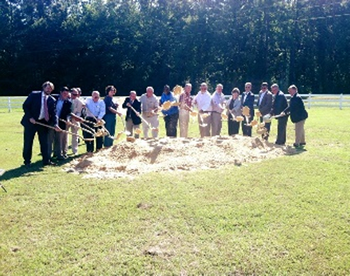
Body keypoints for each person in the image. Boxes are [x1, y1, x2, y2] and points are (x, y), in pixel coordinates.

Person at [21, 81, 60, 167]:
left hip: (42, 123)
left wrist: (55, 124)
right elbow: (25, 106)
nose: (49, 90)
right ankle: (27, 161)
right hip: (31, 122)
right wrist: (30, 117)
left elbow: (54, 114)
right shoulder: (34, 95)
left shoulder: (52, 100)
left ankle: (46, 161)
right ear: (43, 87)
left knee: (44, 142)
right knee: (28, 142)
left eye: (51, 89)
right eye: (48, 88)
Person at [53, 87, 72, 160]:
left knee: (63, 138)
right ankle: (57, 153)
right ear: (61, 92)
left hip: (62, 121)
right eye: (64, 93)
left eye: (67, 94)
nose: (65, 95)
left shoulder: (68, 103)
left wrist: (68, 120)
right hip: (53, 120)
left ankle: (63, 153)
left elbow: (68, 113)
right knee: (55, 138)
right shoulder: (54, 98)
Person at [70, 88, 85, 155]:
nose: (75, 96)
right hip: (66, 119)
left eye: (76, 94)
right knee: (64, 135)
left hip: (75, 119)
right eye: (74, 94)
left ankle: (75, 151)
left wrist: (77, 117)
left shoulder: (79, 101)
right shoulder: (66, 99)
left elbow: (79, 111)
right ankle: (62, 151)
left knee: (75, 135)